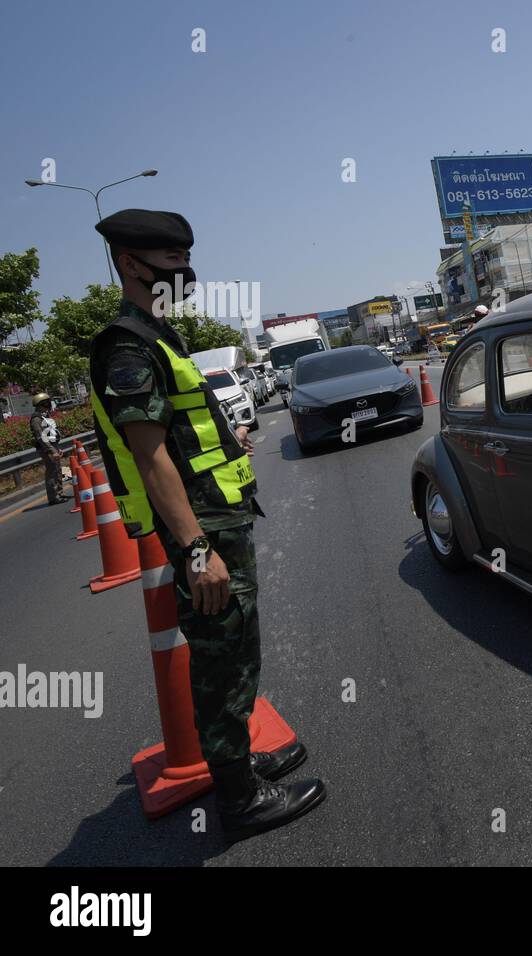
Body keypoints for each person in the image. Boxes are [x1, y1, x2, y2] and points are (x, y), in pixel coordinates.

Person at [88, 209, 325, 842]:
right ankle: (240, 799)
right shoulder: (127, 344)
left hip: (217, 517)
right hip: (201, 531)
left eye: (185, 259)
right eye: (169, 262)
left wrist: (230, 437)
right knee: (222, 656)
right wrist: (195, 549)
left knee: (235, 647)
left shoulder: (158, 334)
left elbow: (181, 433)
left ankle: (238, 756)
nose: (184, 272)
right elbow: (150, 453)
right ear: (130, 264)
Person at [29, 393, 68, 505]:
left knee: (58, 470)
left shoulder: (44, 416)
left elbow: (51, 433)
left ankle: (59, 493)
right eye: (46, 402)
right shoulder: (36, 419)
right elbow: (41, 437)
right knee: (52, 472)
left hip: (53, 446)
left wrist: (57, 448)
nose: (49, 404)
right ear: (41, 404)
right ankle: (53, 497)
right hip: (46, 449)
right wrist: (52, 450)